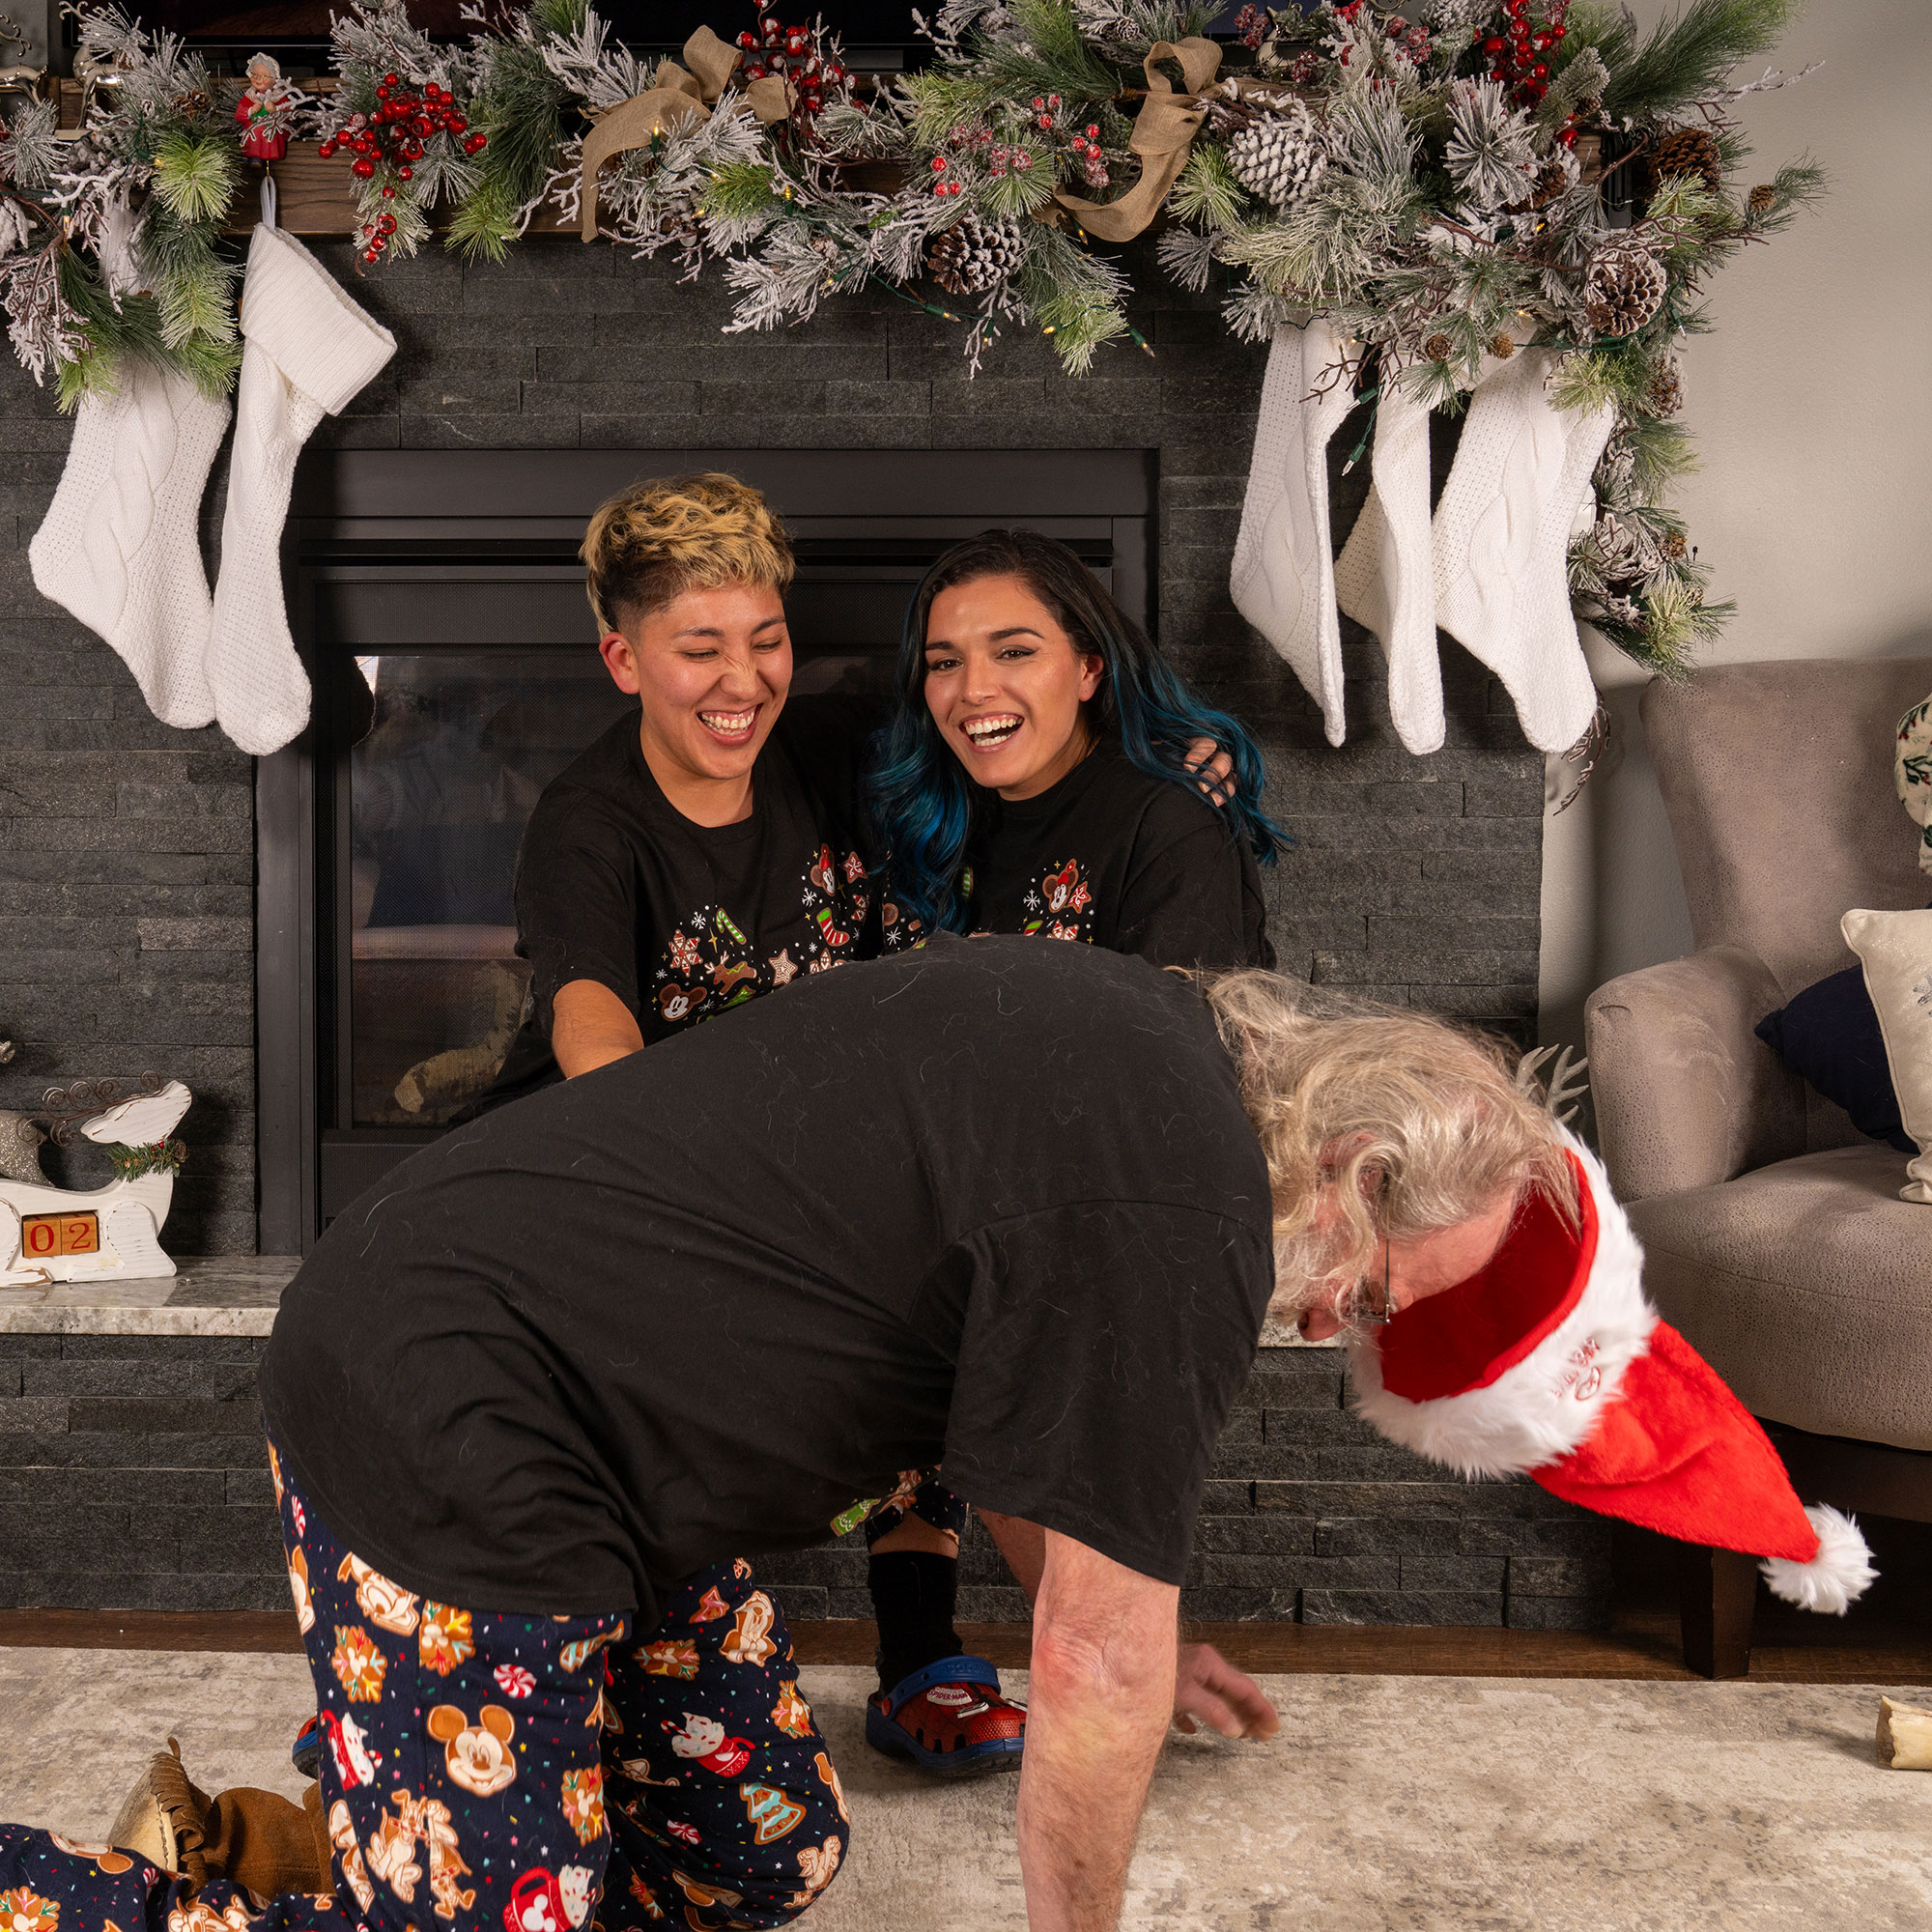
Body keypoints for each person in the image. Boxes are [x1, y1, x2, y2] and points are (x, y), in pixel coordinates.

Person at [2, 939, 1585, 1932]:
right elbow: (1096, 1664)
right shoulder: (1183, 1221)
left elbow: (1040, 1454)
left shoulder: (1158, 1051)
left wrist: (1115, 1615)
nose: (1336, 1326)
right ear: (1354, 1160)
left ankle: (378, 1837)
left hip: (627, 1440)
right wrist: (1116, 1652)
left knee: (759, 1857)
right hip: (449, 1390)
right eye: (1379, 1291)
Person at [853, 530, 1288, 1774]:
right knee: (891, 1272)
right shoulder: (940, 821)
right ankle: (1082, 1646)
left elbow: (1173, 1071)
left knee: (958, 1318)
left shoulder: (1165, 819)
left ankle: (1090, 1646)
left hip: (1138, 1182)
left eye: (1013, 651)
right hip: (981, 1174)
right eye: (943, 661)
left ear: (1089, 665)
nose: (972, 689)